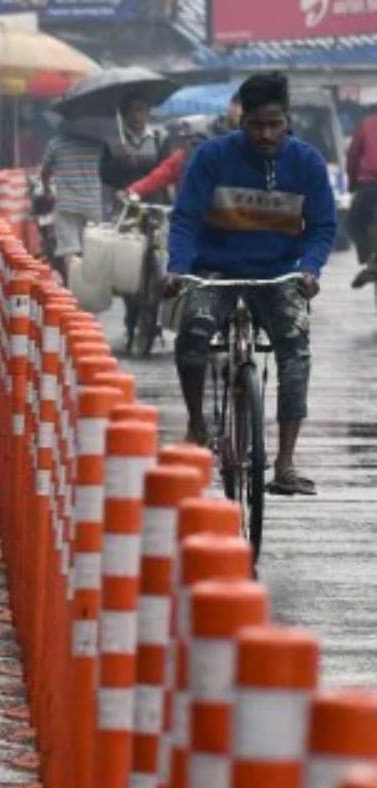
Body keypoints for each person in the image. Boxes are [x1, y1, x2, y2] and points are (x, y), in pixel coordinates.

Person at [164, 71, 336, 496]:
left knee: (295, 350)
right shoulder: (211, 157)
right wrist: (177, 266)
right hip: (216, 271)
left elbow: (322, 227)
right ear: (242, 121)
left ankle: (285, 462)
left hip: (278, 274)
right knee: (193, 334)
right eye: (256, 124)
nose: (265, 133)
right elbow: (184, 219)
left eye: (274, 124)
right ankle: (197, 425)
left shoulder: (308, 163)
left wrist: (311, 268)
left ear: (287, 120)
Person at [40, 122, 105, 274]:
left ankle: (73, 290)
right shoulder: (97, 144)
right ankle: (90, 288)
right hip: (92, 204)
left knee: (70, 250)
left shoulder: (55, 144)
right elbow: (105, 170)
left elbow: (45, 172)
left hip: (66, 204)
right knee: (92, 249)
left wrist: (47, 190)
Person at [345, 102, 377, 273]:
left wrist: (351, 183)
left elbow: (353, 155)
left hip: (369, 186)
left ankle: (366, 254)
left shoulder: (365, 124)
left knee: (351, 222)